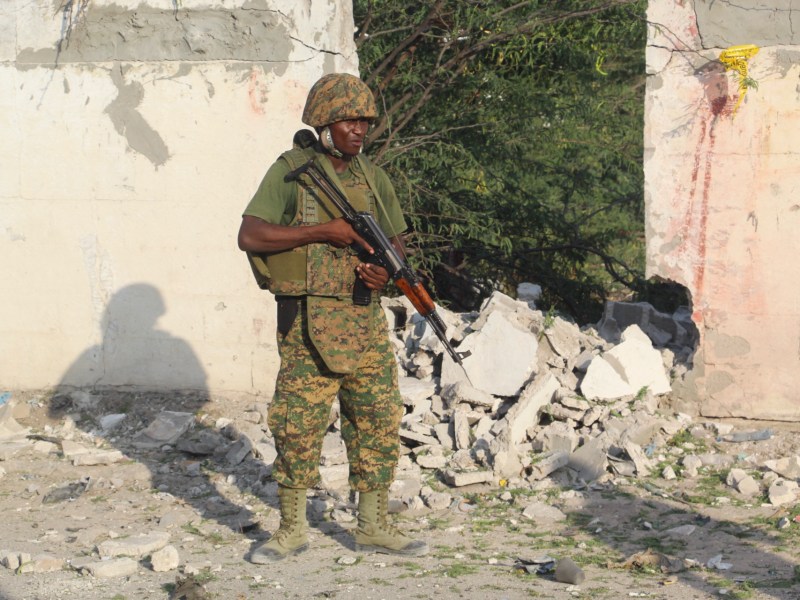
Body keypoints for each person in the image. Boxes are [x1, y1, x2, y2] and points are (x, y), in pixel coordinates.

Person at [237, 73, 429, 563]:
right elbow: (252, 236)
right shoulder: (290, 170)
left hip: (363, 320)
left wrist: (381, 273)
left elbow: (396, 245)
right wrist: (324, 231)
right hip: (307, 322)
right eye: (349, 120)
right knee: (297, 424)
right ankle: (291, 531)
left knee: (378, 419)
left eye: (365, 120)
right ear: (323, 122)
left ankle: (373, 526)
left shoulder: (373, 177)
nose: (359, 129)